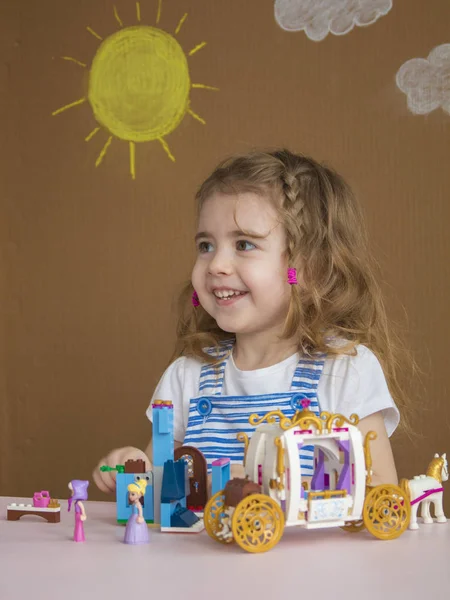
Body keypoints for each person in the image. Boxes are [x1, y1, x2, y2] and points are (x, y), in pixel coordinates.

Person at [93, 149, 415, 494]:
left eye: (244, 244)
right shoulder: (186, 376)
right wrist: (132, 466)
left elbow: (380, 490)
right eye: (206, 246)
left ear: (309, 267)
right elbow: (157, 484)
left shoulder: (347, 370)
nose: (216, 264)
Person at [123, 479, 149, 544]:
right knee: (131, 528)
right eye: (130, 494)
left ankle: (138, 539)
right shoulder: (134, 503)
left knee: (135, 528)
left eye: (133, 494)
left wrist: (140, 516)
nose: (130, 496)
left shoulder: (138, 504)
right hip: (133, 517)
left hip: (136, 518)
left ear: (139, 494)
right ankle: (131, 539)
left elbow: (140, 510)